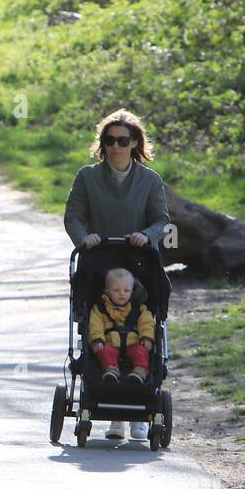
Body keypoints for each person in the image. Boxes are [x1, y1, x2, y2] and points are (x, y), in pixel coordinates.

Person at [63, 108, 170, 441]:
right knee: (100, 330)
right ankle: (112, 416)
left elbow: (161, 220)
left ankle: (141, 408)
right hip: (99, 265)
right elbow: (73, 216)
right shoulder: (88, 177)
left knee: (140, 330)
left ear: (134, 142)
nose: (116, 147)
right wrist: (84, 238)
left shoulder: (150, 180)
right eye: (109, 141)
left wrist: (147, 236)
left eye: (123, 141)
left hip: (138, 265)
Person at [88, 268, 155, 383]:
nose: (122, 294)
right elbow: (95, 325)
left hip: (134, 342)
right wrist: (97, 340)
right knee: (104, 352)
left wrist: (146, 337)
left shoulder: (139, 309)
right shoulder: (100, 308)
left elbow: (147, 324)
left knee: (141, 351)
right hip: (110, 342)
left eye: (126, 290)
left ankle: (139, 371)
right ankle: (111, 370)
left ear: (132, 291)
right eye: (116, 290)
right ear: (108, 291)